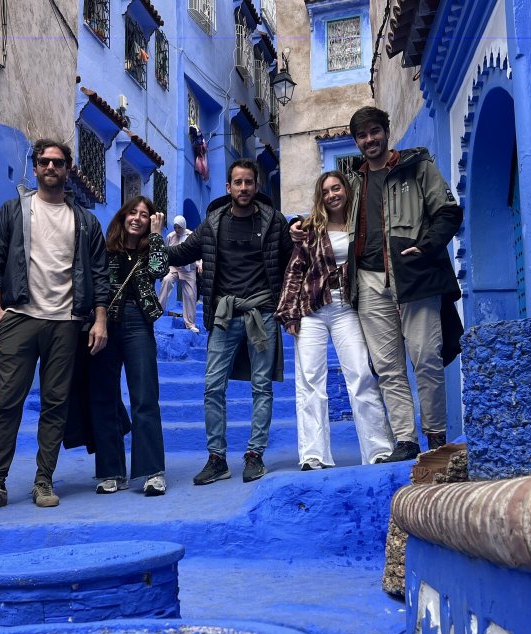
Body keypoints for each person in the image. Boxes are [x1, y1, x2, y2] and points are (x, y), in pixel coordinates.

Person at [0, 139, 110, 510]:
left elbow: (100, 275)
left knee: (55, 404)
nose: (50, 167)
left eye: (58, 162)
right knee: (7, 403)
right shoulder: (14, 211)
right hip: (19, 318)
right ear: (35, 168)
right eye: (44, 162)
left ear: (68, 169)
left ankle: (43, 480)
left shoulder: (85, 221)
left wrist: (99, 319)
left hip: (66, 323)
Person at [346, 106, 463, 462]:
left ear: (386, 131)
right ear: (357, 141)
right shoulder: (354, 180)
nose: (370, 140)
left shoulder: (417, 168)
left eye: (374, 132)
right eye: (362, 135)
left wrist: (426, 246)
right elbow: (331, 218)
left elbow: (448, 212)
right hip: (368, 280)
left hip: (415, 273)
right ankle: (406, 440)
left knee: (426, 357)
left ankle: (436, 436)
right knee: (387, 367)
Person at [167, 158, 292, 484]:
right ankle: (217, 458)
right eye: (238, 182)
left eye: (249, 182)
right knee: (212, 387)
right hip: (223, 315)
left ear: (255, 185)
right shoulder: (212, 224)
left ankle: (255, 455)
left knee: (261, 387)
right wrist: (153, 238)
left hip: (261, 313)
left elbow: (293, 259)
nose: (244, 188)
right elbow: (179, 255)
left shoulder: (274, 221)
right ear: (228, 187)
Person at [277, 172, 397, 469]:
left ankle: (378, 450)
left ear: (346, 189)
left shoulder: (360, 224)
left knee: (361, 375)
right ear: (321, 196)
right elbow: (295, 270)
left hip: (347, 308)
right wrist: (289, 312)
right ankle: (313, 455)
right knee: (310, 381)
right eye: (326, 190)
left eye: (337, 187)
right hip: (312, 309)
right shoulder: (310, 228)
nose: (332, 194)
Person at [90, 196, 169, 496]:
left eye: (145, 214)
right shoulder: (106, 249)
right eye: (132, 213)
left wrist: (159, 236)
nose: (138, 218)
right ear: (123, 217)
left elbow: (160, 270)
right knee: (104, 397)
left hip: (138, 322)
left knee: (145, 396)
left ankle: (152, 471)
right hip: (104, 323)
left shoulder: (151, 250)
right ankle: (111, 472)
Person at [157, 215, 200, 332]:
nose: (177, 230)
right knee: (167, 280)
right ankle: (158, 310)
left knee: (190, 295)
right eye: (175, 227)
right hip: (174, 267)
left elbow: (198, 252)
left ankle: (190, 324)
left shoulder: (191, 236)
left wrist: (199, 264)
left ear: (184, 226)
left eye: (179, 227)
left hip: (188, 269)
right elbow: (166, 252)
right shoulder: (171, 237)